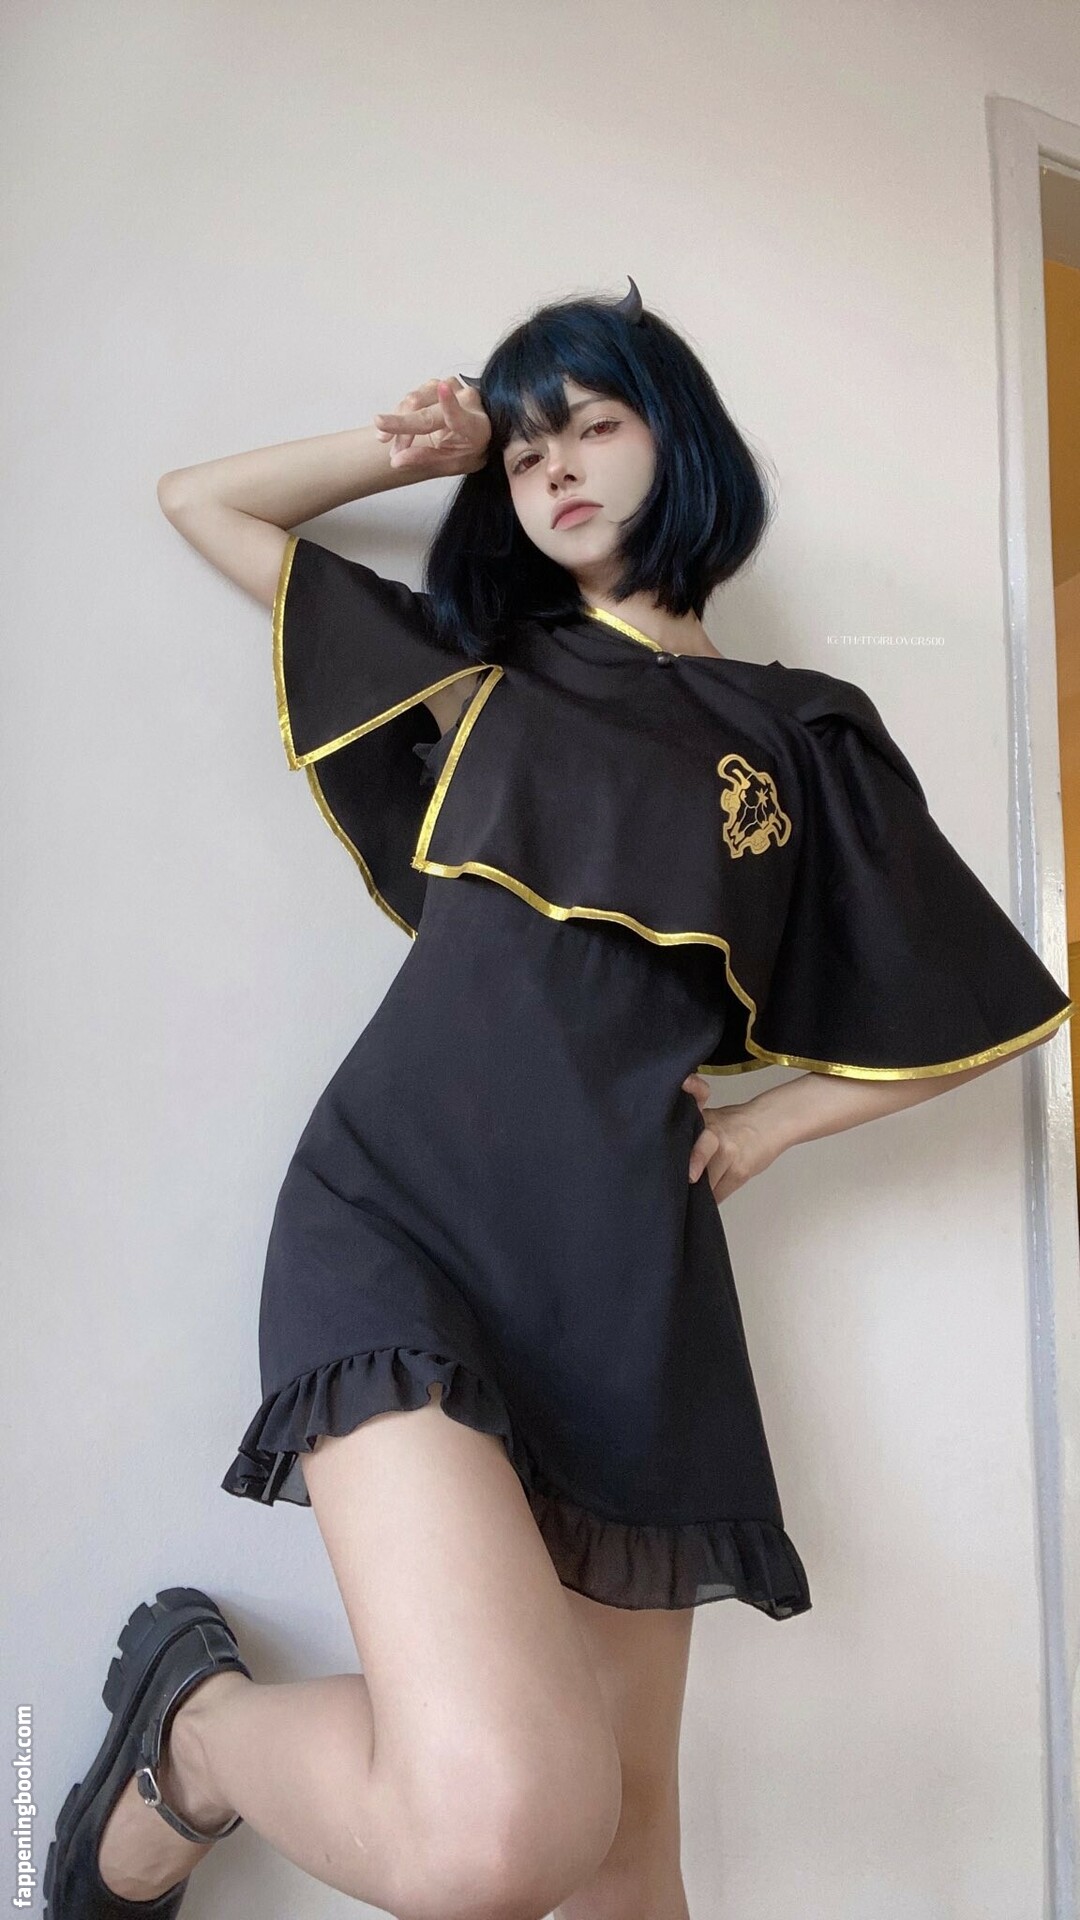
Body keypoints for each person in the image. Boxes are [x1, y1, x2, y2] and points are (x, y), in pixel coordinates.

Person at [45, 279, 1074, 1920]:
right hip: (400, 1217)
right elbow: (204, 504)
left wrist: (770, 1125)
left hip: (629, 1285)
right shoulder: (491, 671)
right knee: (503, 1836)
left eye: (593, 424)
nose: (557, 467)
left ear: (682, 439)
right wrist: (413, 450)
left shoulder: (804, 735)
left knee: (625, 1846)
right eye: (526, 453)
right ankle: (198, 1731)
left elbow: (984, 1003)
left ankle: (198, 1742)